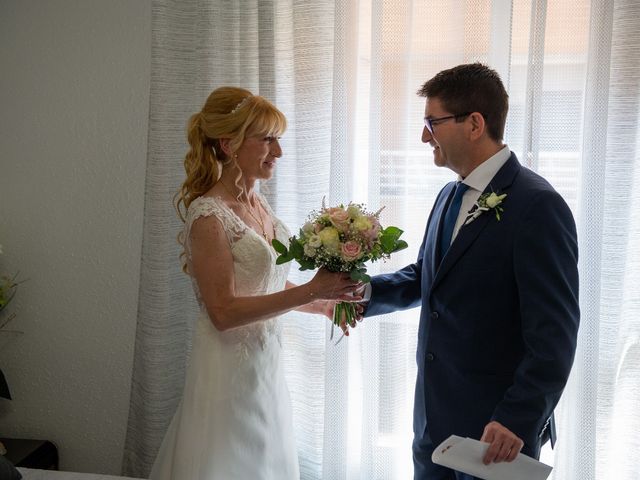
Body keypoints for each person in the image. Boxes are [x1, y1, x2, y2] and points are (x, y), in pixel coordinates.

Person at [362, 63, 579, 479]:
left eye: (432, 122)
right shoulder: (448, 194)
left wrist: (516, 419)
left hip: (495, 435)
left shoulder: (538, 207)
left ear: (475, 123)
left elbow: (555, 335)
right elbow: (427, 276)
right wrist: (362, 294)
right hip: (432, 426)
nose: (424, 136)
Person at [149, 86, 362, 480]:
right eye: (268, 140)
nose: (278, 152)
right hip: (227, 366)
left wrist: (323, 305)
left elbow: (263, 285)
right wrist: (313, 288)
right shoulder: (208, 215)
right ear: (229, 144)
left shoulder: (257, 202)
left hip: (265, 363)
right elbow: (224, 312)